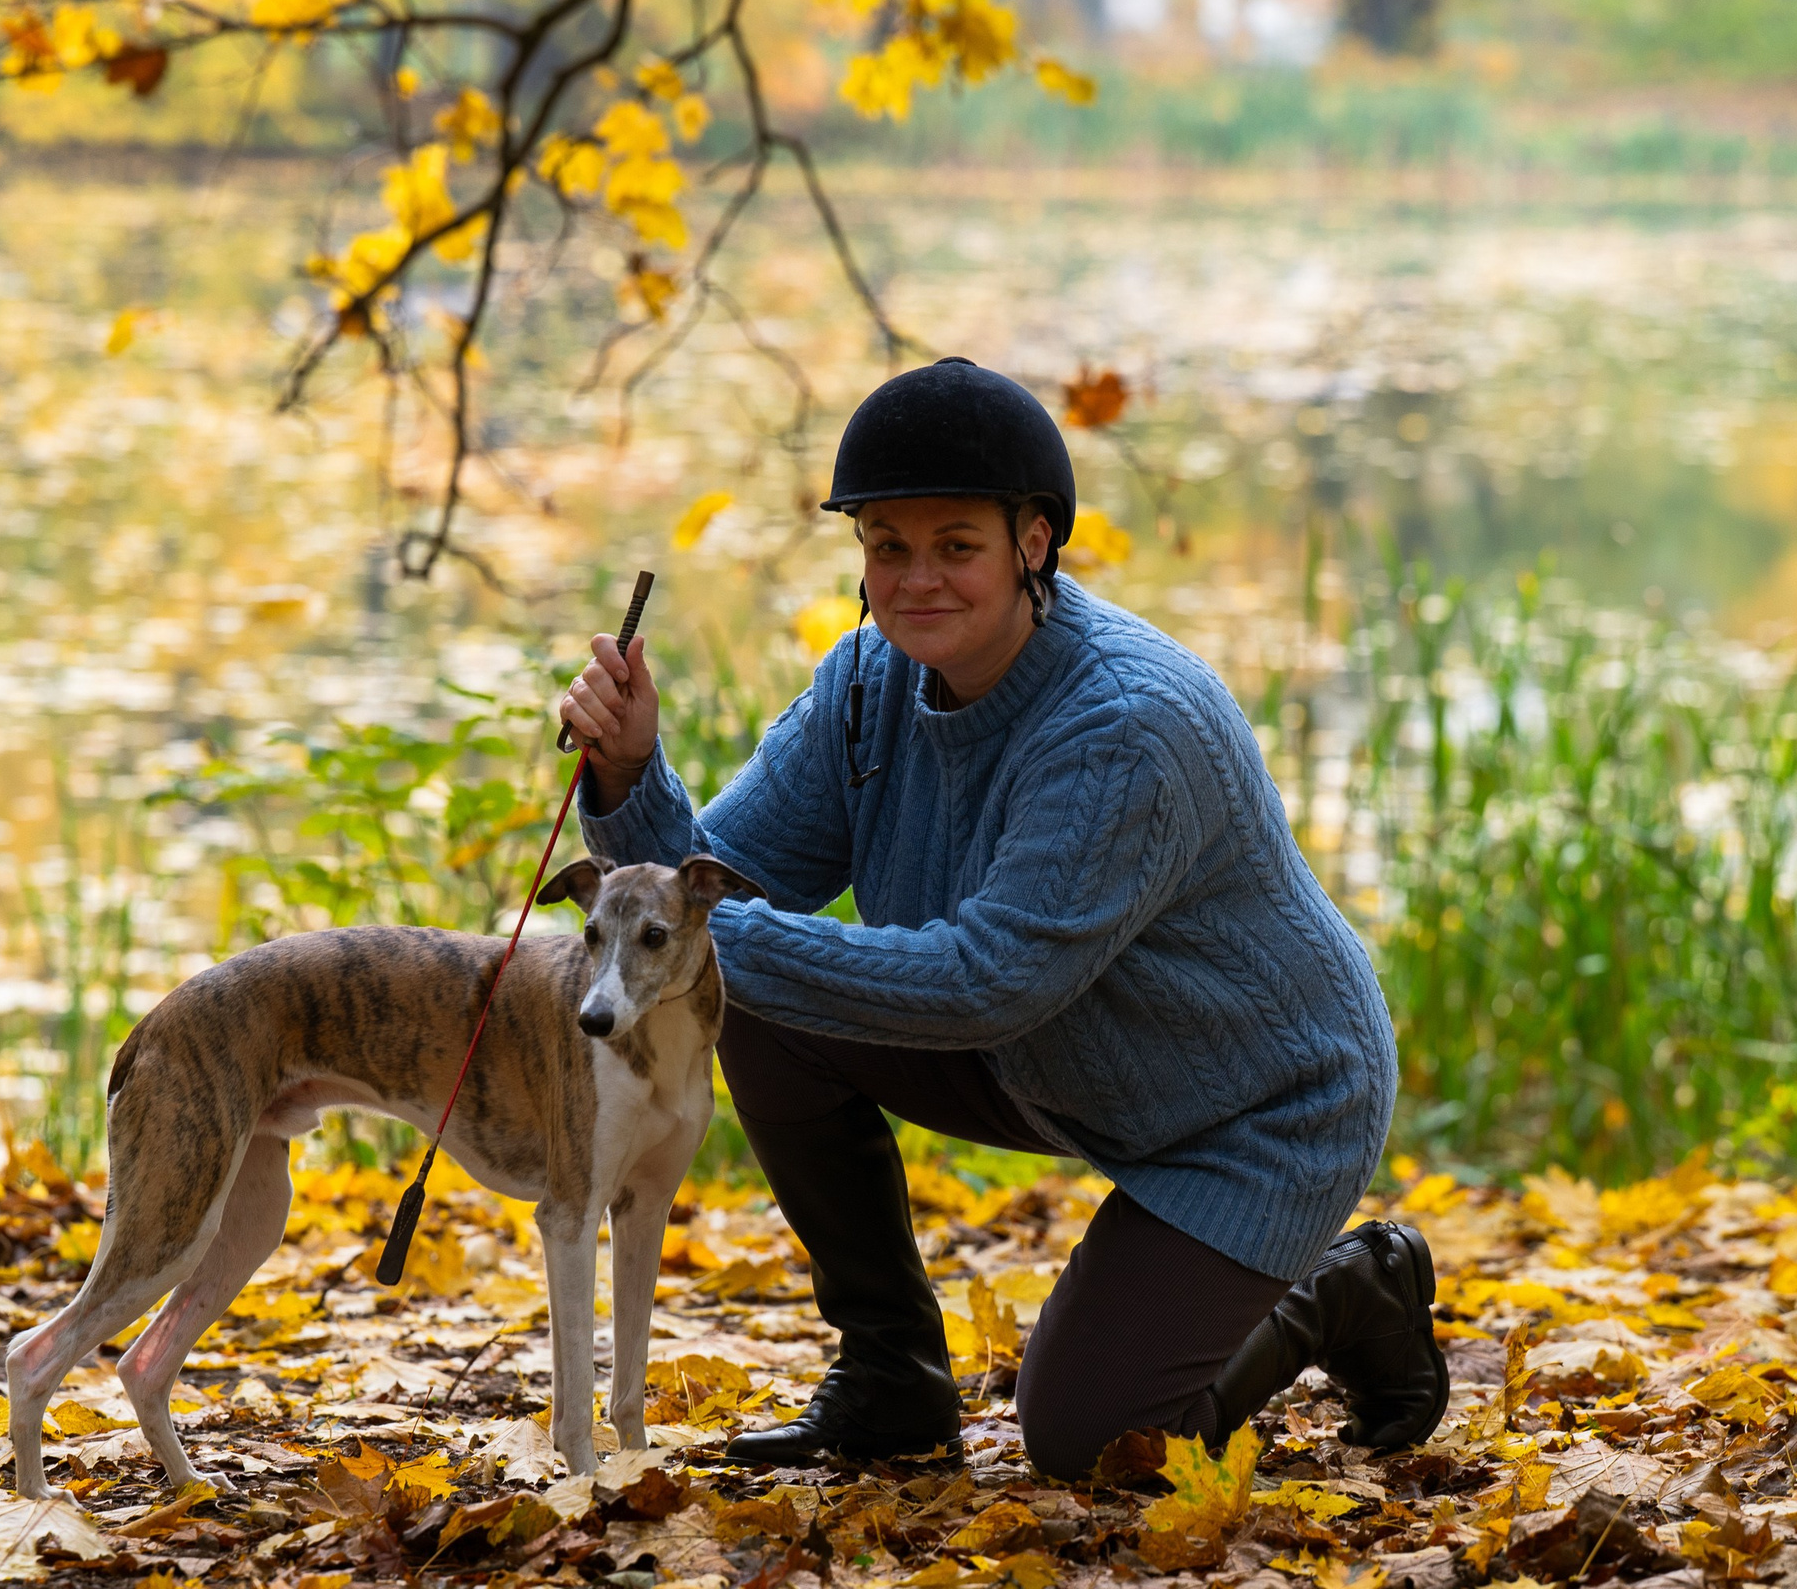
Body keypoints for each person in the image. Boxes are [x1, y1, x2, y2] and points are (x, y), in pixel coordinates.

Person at [555, 358, 1444, 1478]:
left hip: (1256, 1104)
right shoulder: (865, 681)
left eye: (955, 545)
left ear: (1032, 542)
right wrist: (631, 769)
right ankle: (890, 1378)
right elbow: (717, 888)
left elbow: (989, 983)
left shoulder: (1124, 726)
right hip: (1053, 1060)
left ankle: (1345, 1290)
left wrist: (676, 950)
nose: (916, 578)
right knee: (754, 993)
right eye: (888, 547)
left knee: (1091, 1444)